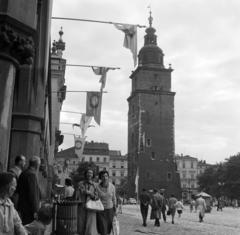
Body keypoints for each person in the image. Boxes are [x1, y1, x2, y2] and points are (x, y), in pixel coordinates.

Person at [72, 167, 99, 235]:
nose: (89, 174)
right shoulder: (80, 184)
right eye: (88, 172)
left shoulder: (96, 185)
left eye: (91, 173)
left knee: (90, 227)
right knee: (80, 226)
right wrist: (77, 191)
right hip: (81, 207)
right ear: (85, 174)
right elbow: (74, 197)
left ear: (93, 175)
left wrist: (90, 193)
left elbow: (97, 198)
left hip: (91, 208)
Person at [16, 156, 41, 225]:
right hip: (28, 210)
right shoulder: (31, 175)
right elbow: (32, 194)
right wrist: (35, 211)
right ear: (36, 165)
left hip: (23, 207)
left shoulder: (23, 173)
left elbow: (18, 190)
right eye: (38, 165)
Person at [96, 170, 116, 235]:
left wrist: (115, 209)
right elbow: (96, 198)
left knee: (108, 228)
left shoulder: (112, 186)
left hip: (110, 209)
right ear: (100, 178)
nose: (105, 178)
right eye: (103, 176)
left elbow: (113, 198)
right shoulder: (97, 187)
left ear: (108, 177)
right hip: (100, 210)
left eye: (106, 176)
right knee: (102, 227)